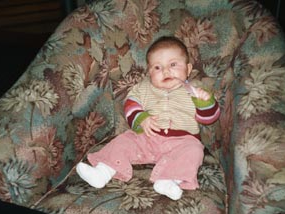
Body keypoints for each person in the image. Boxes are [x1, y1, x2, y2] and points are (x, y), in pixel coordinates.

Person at [76, 36, 220, 200]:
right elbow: (130, 105)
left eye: (173, 65)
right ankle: (103, 171)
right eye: (157, 67)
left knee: (194, 151)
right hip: (148, 137)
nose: (166, 71)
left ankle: (169, 180)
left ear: (187, 69)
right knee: (124, 140)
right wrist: (141, 118)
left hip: (183, 140)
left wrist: (205, 103)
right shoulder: (143, 88)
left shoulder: (195, 89)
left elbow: (210, 118)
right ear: (149, 72)